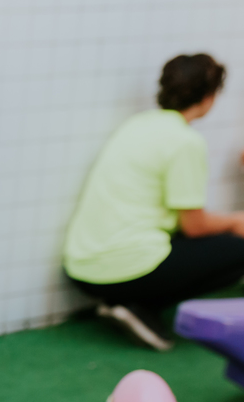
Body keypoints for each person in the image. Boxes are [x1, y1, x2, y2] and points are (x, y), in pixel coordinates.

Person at [63, 53, 244, 351]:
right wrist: (236, 220)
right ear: (209, 97)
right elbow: (195, 226)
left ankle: (126, 304)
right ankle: (140, 307)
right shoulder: (185, 142)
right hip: (126, 269)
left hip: (81, 268)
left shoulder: (138, 124)